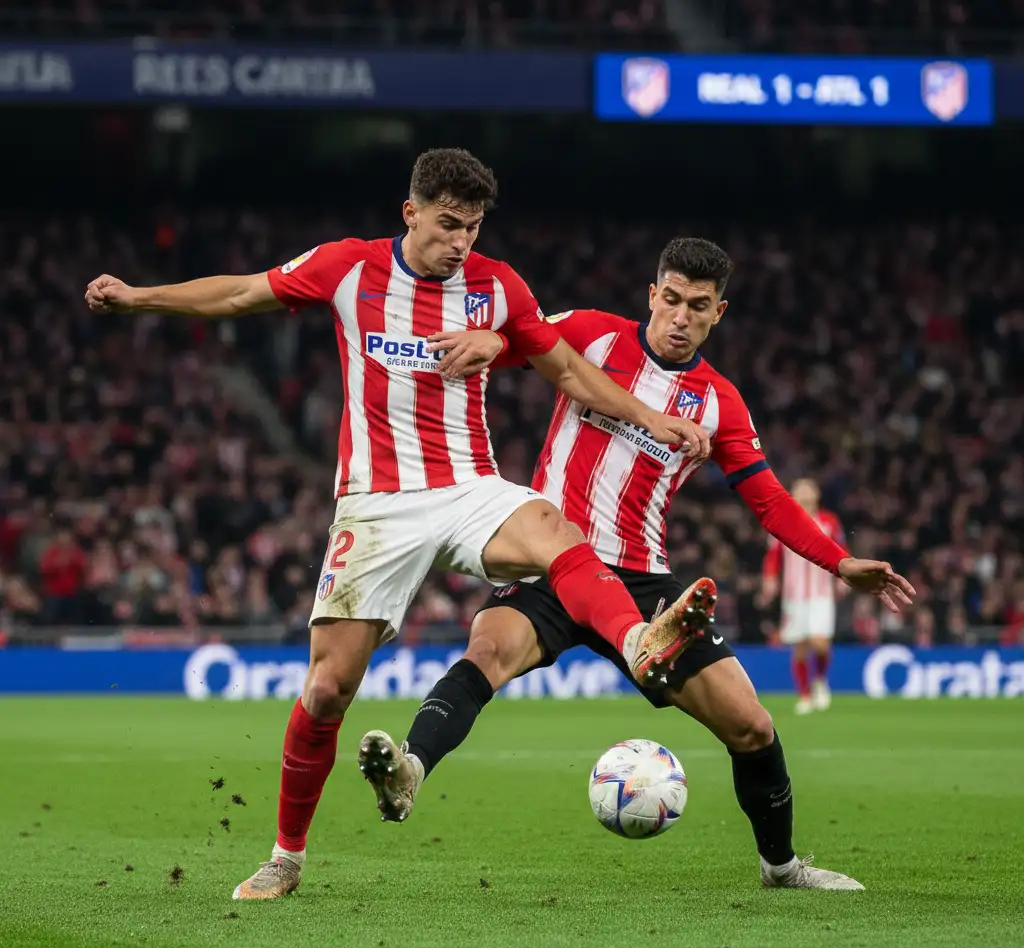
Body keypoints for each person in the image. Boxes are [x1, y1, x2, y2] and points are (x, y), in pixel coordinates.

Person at [84, 148, 716, 900]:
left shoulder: (499, 285)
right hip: (376, 503)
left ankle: (638, 642)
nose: (460, 243)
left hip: (468, 486)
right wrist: (139, 296)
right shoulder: (349, 268)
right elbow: (239, 295)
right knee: (326, 691)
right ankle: (285, 857)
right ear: (410, 212)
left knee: (555, 530)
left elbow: (572, 372)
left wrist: (653, 417)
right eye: (448, 224)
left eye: (473, 228)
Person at [357, 237, 915, 891]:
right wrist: (488, 344)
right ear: (652, 295)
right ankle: (410, 771)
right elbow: (514, 342)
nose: (680, 316)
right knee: (487, 649)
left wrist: (839, 561)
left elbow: (768, 501)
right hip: (553, 559)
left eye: (697, 306)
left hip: (643, 581)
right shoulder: (591, 336)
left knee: (752, 724)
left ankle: (781, 866)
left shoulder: (718, 403)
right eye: (671, 299)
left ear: (719, 313)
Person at [761, 479, 845, 714]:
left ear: (817, 494)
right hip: (794, 595)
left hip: (821, 594)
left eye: (809, 489)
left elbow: (839, 550)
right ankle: (805, 695)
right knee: (799, 647)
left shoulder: (829, 521)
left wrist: (842, 578)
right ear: (792, 494)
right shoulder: (782, 521)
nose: (805, 493)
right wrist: (769, 580)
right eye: (799, 489)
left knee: (820, 643)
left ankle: (819, 680)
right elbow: (773, 555)